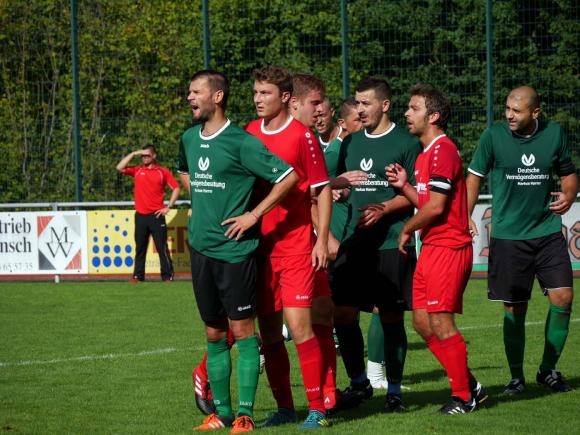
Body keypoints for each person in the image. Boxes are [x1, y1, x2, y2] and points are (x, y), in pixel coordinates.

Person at [177, 69, 299, 433]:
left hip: (235, 253)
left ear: (217, 97)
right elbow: (185, 172)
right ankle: (223, 414)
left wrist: (253, 214)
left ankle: (245, 415)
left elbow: (288, 176)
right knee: (214, 335)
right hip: (201, 250)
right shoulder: (187, 138)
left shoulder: (241, 141)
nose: (189, 97)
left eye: (195, 92)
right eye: (189, 92)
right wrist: (204, 200)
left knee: (243, 331)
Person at [466, 85, 577, 395]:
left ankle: (548, 370)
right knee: (515, 308)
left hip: (547, 232)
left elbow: (567, 172)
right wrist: (465, 215)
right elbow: (474, 176)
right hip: (508, 236)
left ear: (535, 113)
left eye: (516, 111)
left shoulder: (554, 134)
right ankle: (516, 378)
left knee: (564, 298)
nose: (509, 115)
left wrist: (569, 194)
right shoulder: (493, 137)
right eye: (507, 109)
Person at [387, 83, 487, 414]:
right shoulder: (423, 155)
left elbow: (437, 209)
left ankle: (463, 396)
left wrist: (406, 228)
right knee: (421, 322)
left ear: (433, 115)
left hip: (449, 247)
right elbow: (426, 203)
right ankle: (469, 384)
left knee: (441, 323)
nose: (406, 113)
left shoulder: (444, 150)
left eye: (413, 108)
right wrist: (405, 187)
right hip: (431, 246)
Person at [245, 67, 332, 429]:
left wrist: (322, 239)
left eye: (265, 93)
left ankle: (317, 407)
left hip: (296, 247)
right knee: (267, 334)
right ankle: (284, 407)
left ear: (284, 97)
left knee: (299, 328)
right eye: (255, 93)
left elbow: (322, 188)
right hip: (259, 248)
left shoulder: (303, 137)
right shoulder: (248, 133)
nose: (258, 100)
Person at [331, 76, 421, 413]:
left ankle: (394, 391)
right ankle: (358, 384)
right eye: (357, 103)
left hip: (389, 243)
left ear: (384, 105)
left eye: (366, 103)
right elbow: (340, 184)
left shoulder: (406, 142)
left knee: (392, 317)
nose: (360, 109)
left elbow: (414, 194)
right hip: (355, 243)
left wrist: (384, 207)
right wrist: (339, 190)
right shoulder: (350, 143)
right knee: (342, 314)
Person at [317, 97, 388, 389]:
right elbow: (309, 188)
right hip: (332, 239)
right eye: (358, 120)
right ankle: (362, 379)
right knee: (331, 311)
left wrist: (342, 192)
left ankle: (369, 378)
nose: (365, 124)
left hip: (354, 236)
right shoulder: (327, 148)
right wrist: (333, 185)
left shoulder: (354, 147)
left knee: (353, 310)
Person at [116, 145, 179, 282]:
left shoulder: (162, 171)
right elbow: (119, 167)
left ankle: (168, 276)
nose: (144, 158)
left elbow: (176, 188)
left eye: (147, 155)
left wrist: (169, 206)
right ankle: (138, 276)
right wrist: (133, 153)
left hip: (156, 216)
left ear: (154, 156)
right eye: (143, 156)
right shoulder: (137, 170)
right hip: (140, 216)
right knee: (140, 248)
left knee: (161, 248)